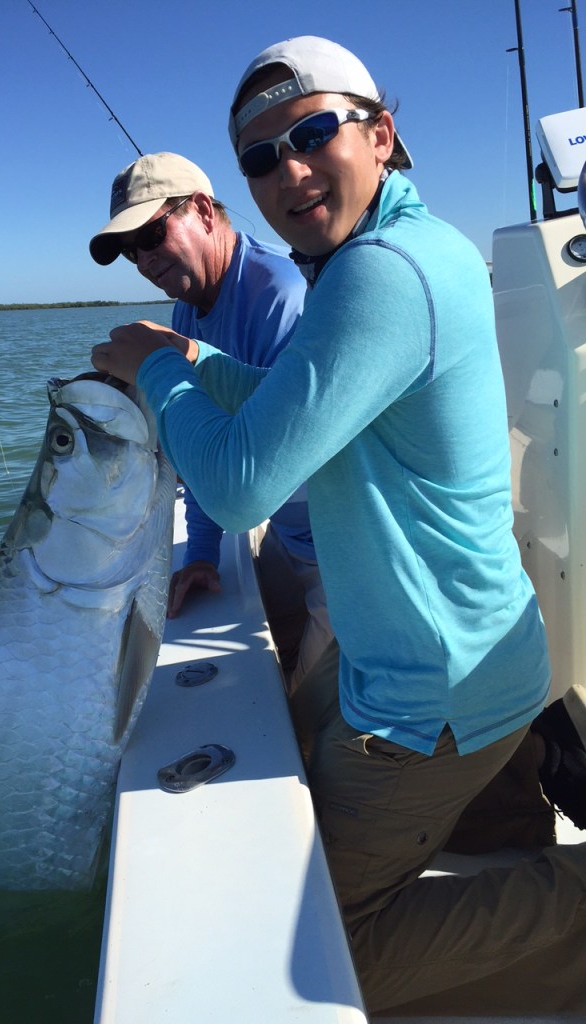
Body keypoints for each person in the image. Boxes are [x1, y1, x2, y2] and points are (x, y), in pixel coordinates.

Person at [91, 36, 586, 1014]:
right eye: (262, 157)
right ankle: (509, 843)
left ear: (382, 133)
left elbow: (238, 489)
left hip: (430, 699)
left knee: (330, 952)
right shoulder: (388, 256)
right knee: (456, 827)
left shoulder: (380, 274)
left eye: (312, 133)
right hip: (479, 660)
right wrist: (187, 360)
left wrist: (154, 369)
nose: (290, 170)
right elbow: (286, 397)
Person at [90, 151, 333, 691]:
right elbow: (200, 441)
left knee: (306, 710)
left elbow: (261, 469)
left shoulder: (282, 293)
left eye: (151, 236)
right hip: (289, 536)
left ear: (202, 210)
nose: (144, 261)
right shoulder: (188, 306)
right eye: (131, 253)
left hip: (343, 550)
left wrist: (158, 370)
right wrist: (201, 552)